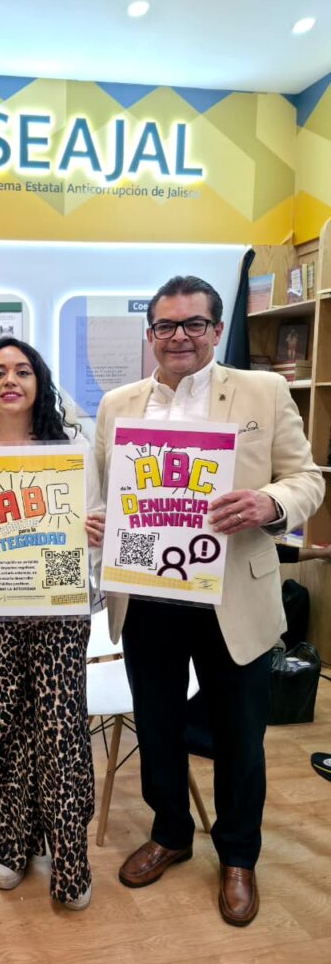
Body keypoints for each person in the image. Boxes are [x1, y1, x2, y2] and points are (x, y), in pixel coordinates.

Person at [92, 274, 324, 927]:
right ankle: (170, 832)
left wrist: (269, 503)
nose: (180, 337)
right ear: (150, 335)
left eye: (194, 323)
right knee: (158, 725)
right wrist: (98, 522)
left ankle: (238, 855)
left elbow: (307, 478)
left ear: (217, 330)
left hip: (233, 597)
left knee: (240, 736)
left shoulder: (263, 392)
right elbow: (106, 494)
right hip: (149, 596)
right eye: (166, 325)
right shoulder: (117, 404)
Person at [0, 337, 104, 911]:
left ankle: (69, 858)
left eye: (21, 371)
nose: (9, 380)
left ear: (39, 382)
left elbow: (93, 527)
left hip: (59, 609)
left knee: (61, 734)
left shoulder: (73, 447)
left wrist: (95, 541)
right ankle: (10, 848)